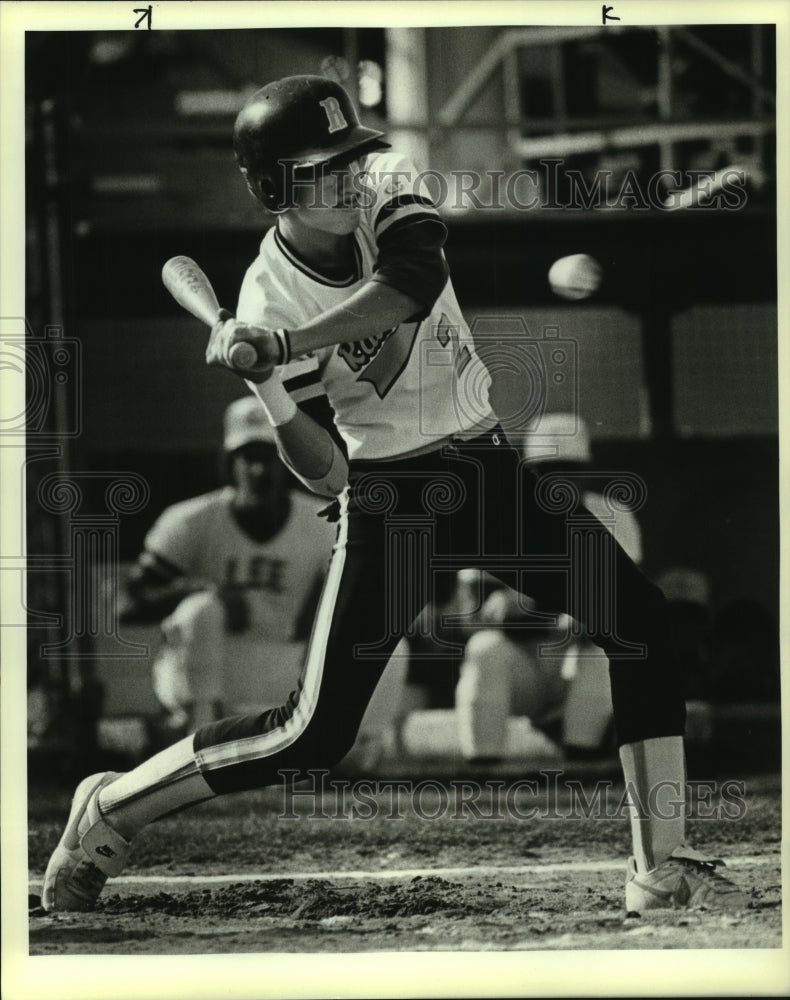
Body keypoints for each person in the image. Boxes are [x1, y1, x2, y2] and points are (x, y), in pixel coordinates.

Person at [41, 75, 746, 915]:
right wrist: (270, 384)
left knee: (638, 620)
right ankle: (109, 808)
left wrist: (286, 341)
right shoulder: (268, 291)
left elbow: (411, 281)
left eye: (349, 159)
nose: (347, 177)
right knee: (313, 735)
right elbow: (325, 473)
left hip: (484, 468)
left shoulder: (385, 188)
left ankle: (657, 868)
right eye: (320, 169)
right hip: (392, 500)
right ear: (273, 188)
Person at [122, 396, 336, 734]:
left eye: (272, 458)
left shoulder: (324, 520)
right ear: (228, 461)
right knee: (200, 610)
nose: (260, 470)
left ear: (290, 463)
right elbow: (126, 604)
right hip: (208, 668)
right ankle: (197, 731)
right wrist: (200, 589)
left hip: (286, 666)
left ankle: (357, 745)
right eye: (248, 457)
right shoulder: (191, 520)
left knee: (385, 639)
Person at [454, 414, 644, 762]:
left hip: (575, 667)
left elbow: (631, 606)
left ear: (586, 471)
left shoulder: (611, 513)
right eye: (546, 469)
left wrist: (531, 605)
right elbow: (470, 619)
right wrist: (559, 613)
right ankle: (483, 768)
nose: (558, 481)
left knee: (606, 649)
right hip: (520, 669)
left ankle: (582, 758)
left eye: (568, 468)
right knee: (484, 648)